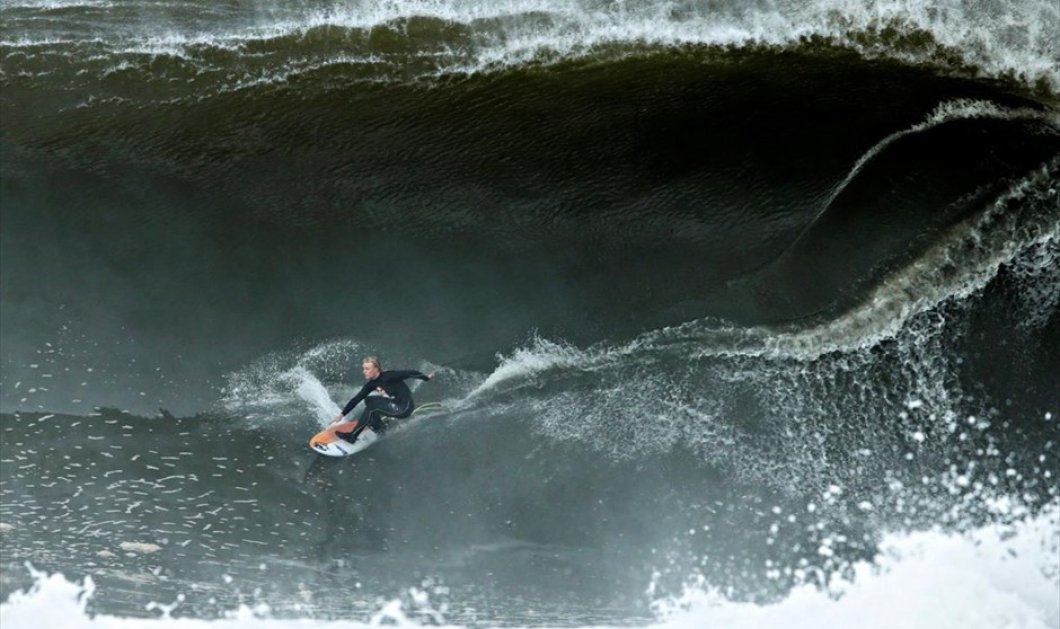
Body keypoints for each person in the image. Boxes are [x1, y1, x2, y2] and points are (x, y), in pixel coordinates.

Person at [329, 356, 433, 443]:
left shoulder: (389, 376)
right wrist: (341, 415)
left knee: (371, 408)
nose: (364, 372)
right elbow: (357, 398)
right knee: (368, 400)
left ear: (376, 369)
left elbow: (410, 373)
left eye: (367, 369)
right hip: (395, 404)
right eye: (363, 368)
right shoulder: (371, 384)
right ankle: (379, 427)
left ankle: (352, 437)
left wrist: (426, 378)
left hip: (404, 407)